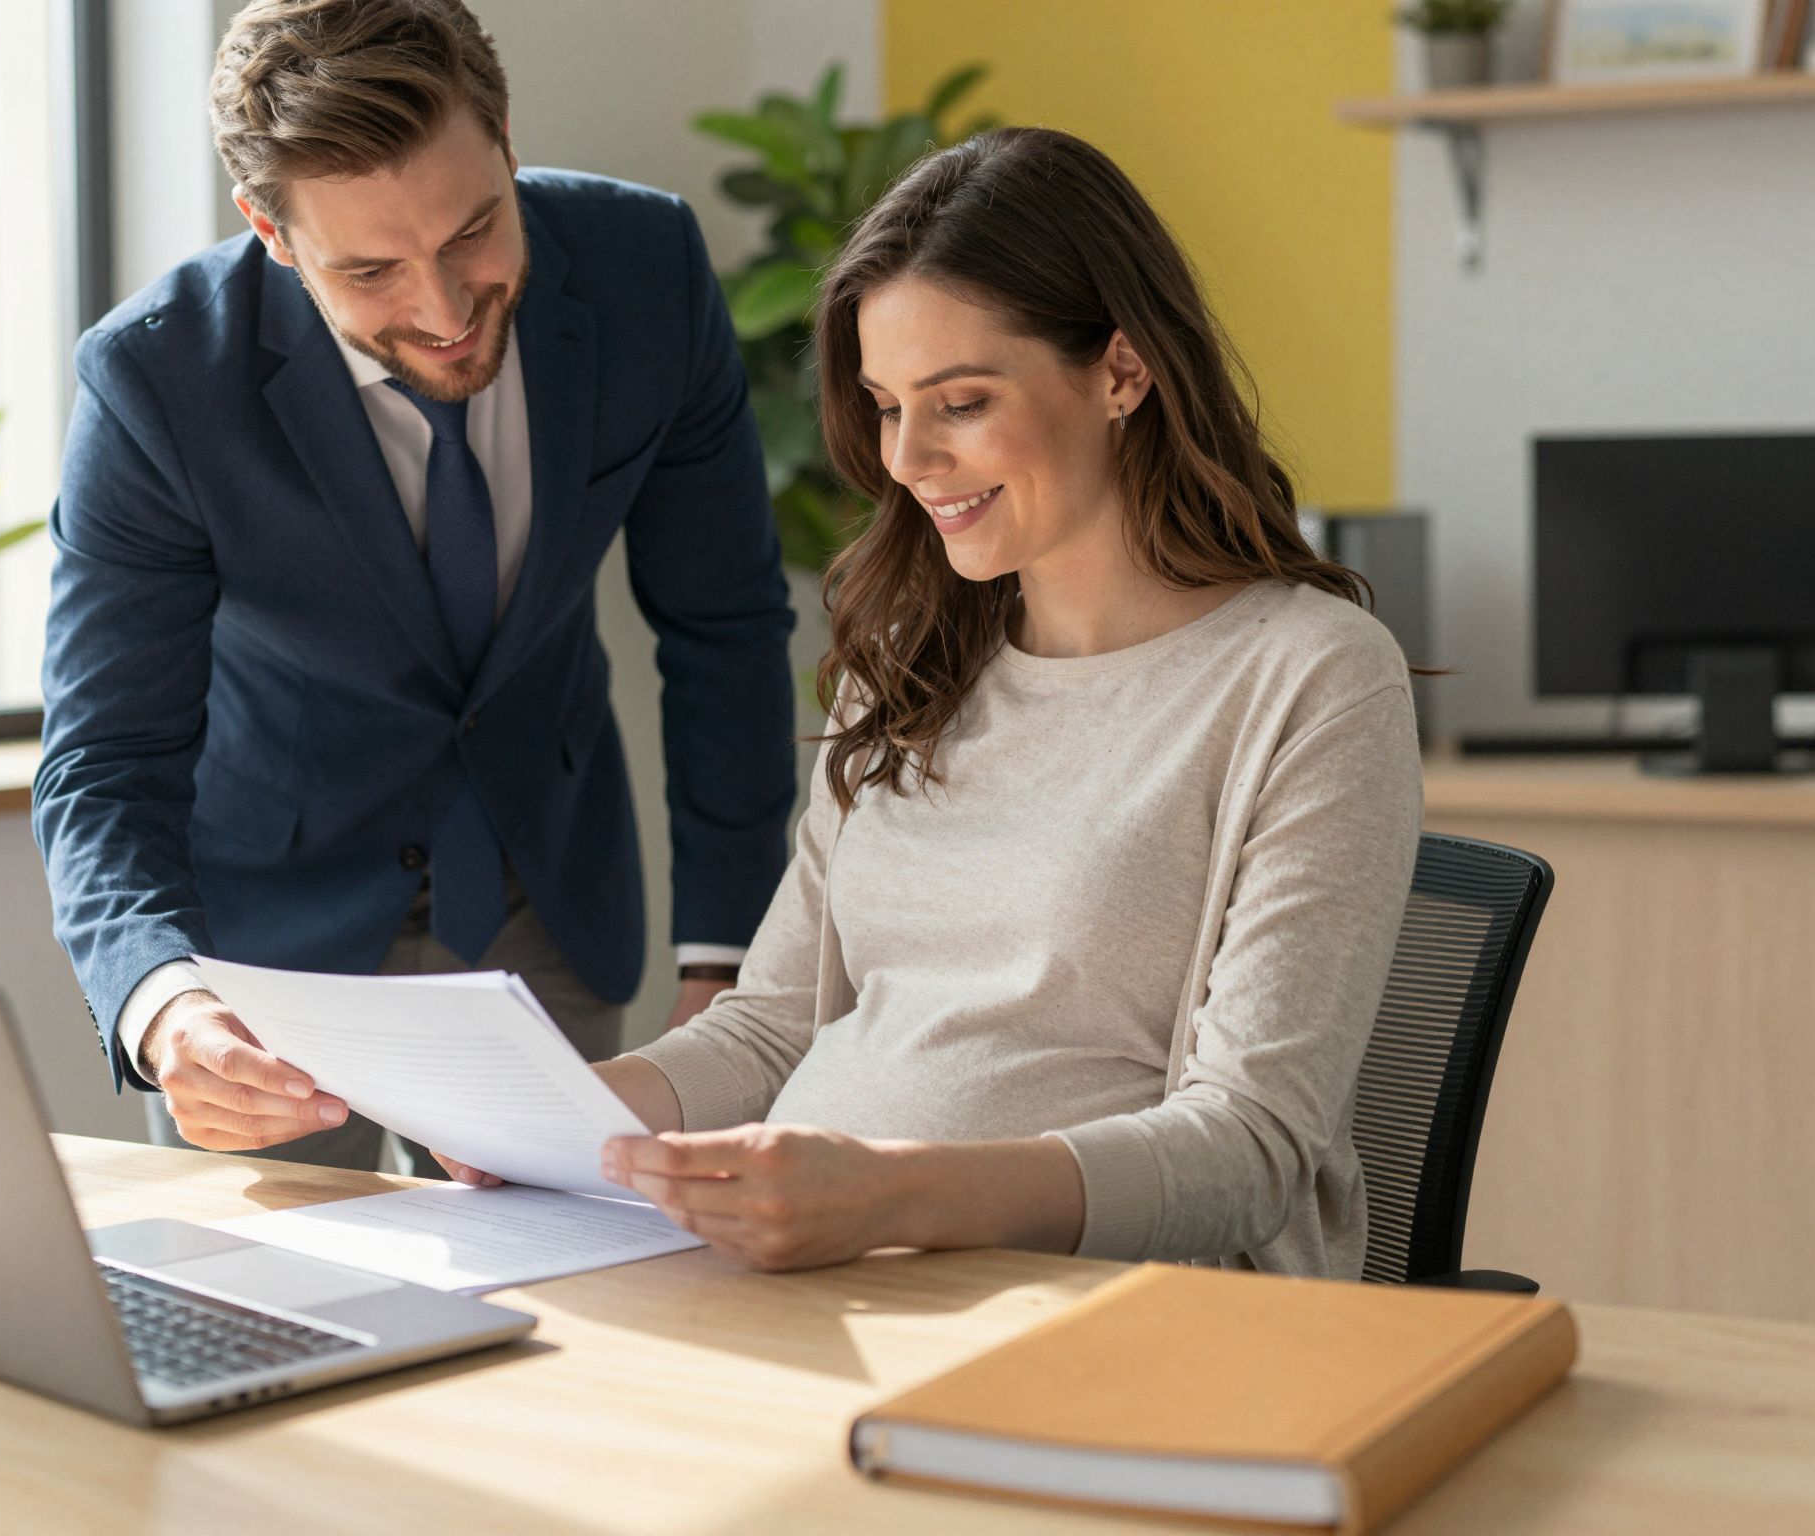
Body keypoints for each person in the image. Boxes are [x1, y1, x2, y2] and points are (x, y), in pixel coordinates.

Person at [436, 126, 1424, 1281]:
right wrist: (556, 1120)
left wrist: (890, 1192)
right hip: (832, 1281)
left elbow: (1250, 1150)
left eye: (959, 403)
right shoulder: (908, 661)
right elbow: (771, 1027)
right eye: (885, 405)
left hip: (1122, 1312)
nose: (907, 459)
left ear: (1120, 371)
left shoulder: (1309, 677)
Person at [32, 0, 795, 1170]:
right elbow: (104, 761)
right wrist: (164, 1008)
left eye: (474, 231)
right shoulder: (158, 381)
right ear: (271, 232)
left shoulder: (646, 272)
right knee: (282, 1330)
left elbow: (723, 632)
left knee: (584, 1323)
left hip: (548, 909)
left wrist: (726, 972)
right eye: (372, 269)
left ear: (505, 135)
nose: (444, 312)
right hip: (264, 966)